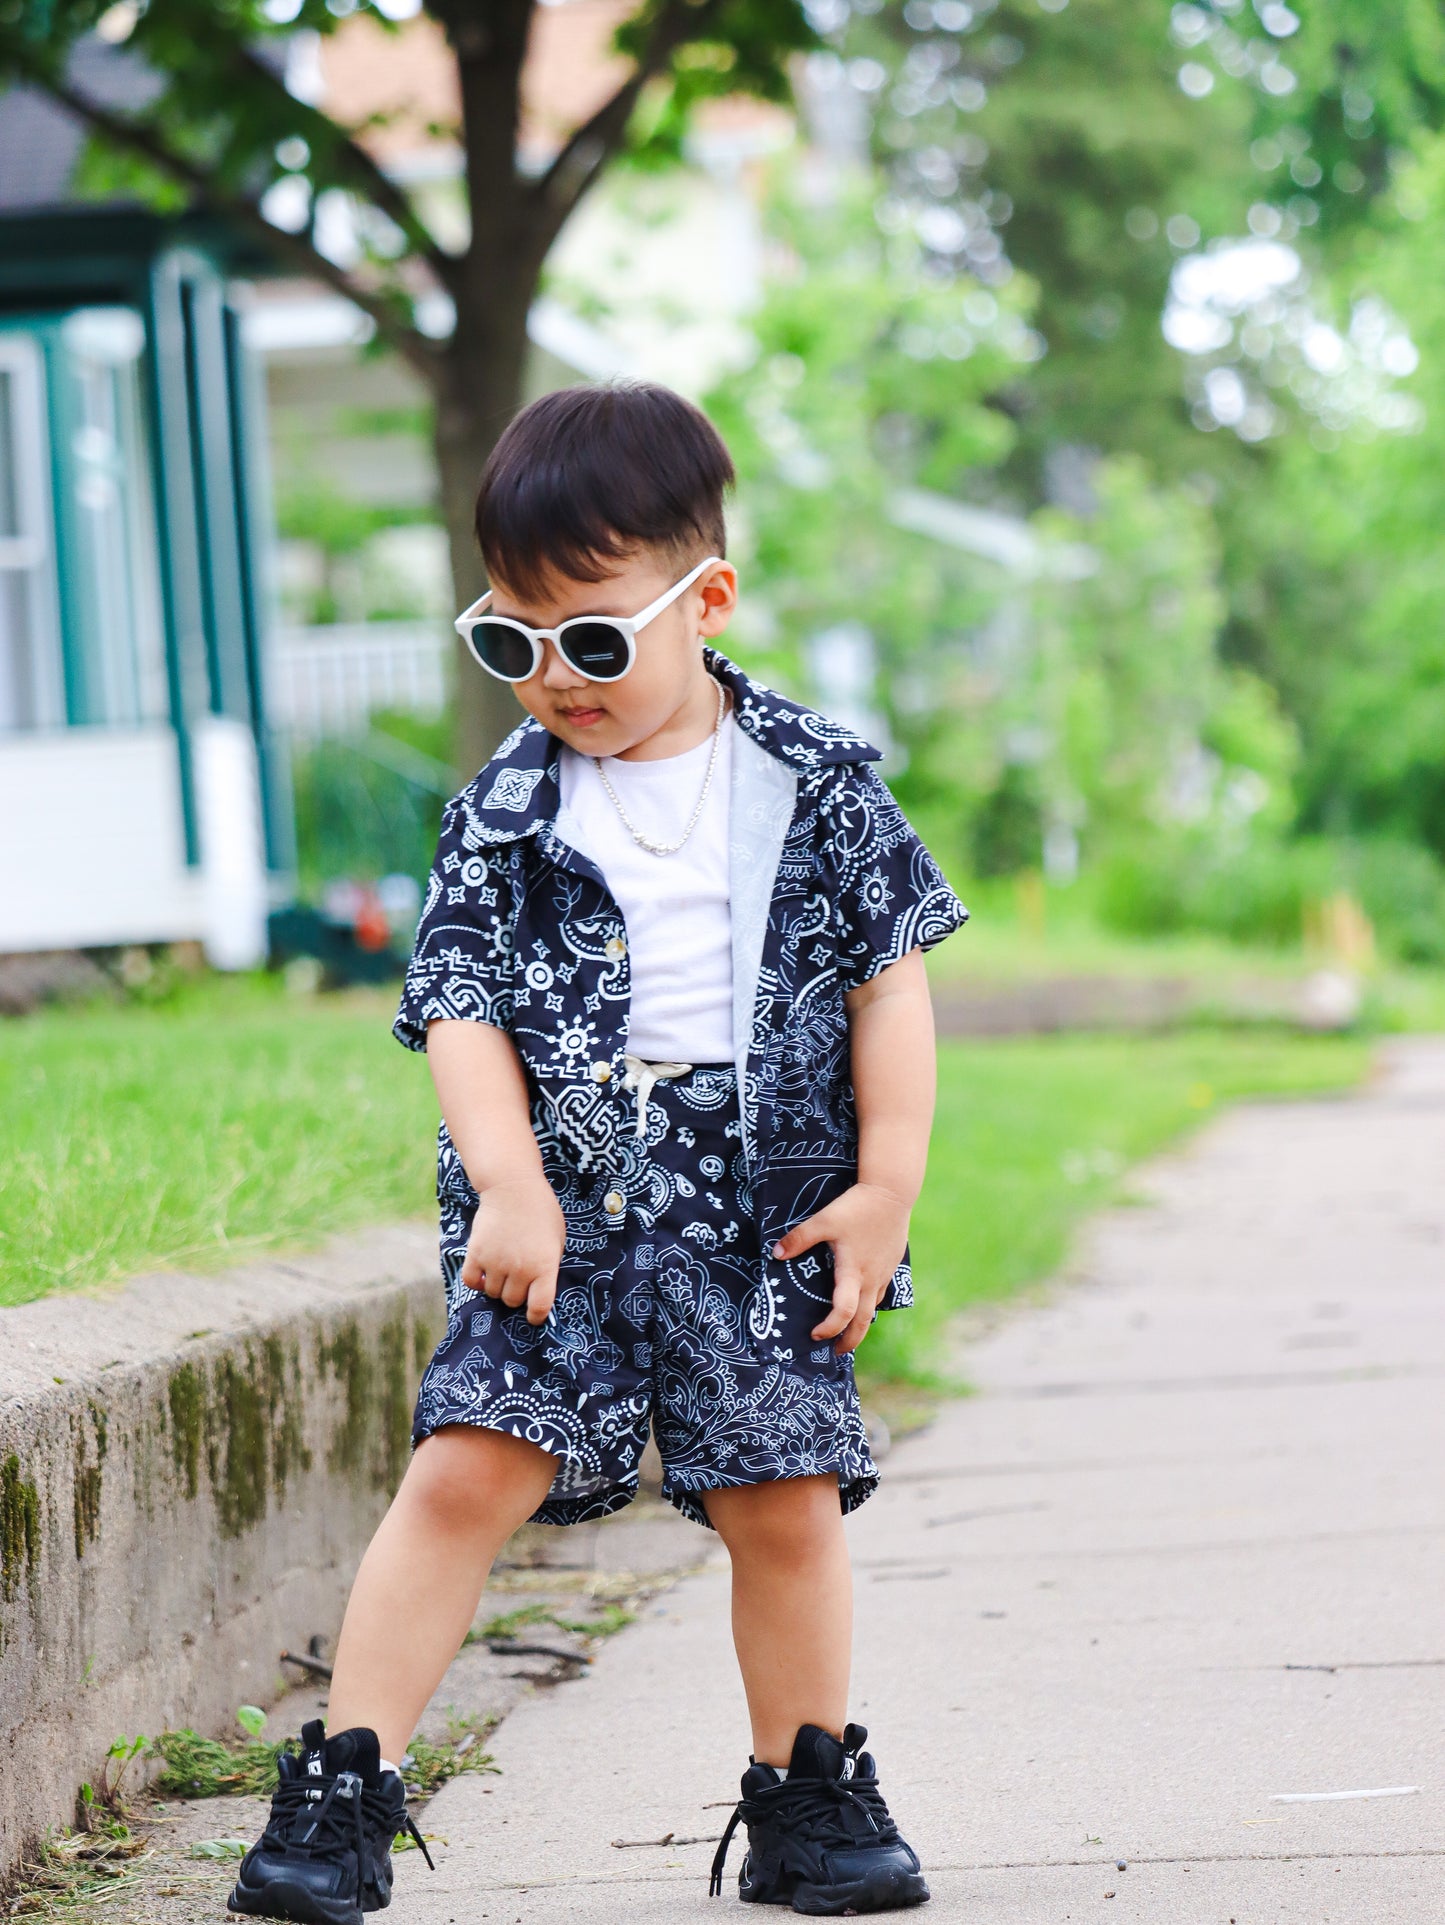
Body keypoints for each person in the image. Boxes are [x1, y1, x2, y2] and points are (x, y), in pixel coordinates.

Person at [229, 382, 968, 1924]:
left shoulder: (814, 783)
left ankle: (809, 1791)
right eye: (509, 640)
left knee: (783, 1493)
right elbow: (459, 1009)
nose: (552, 677)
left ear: (704, 601)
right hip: (556, 1201)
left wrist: (885, 1185)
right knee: (464, 1467)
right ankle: (344, 1789)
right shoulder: (500, 813)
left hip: (762, 1198)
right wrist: (505, 1175)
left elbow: (886, 980)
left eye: (590, 638)